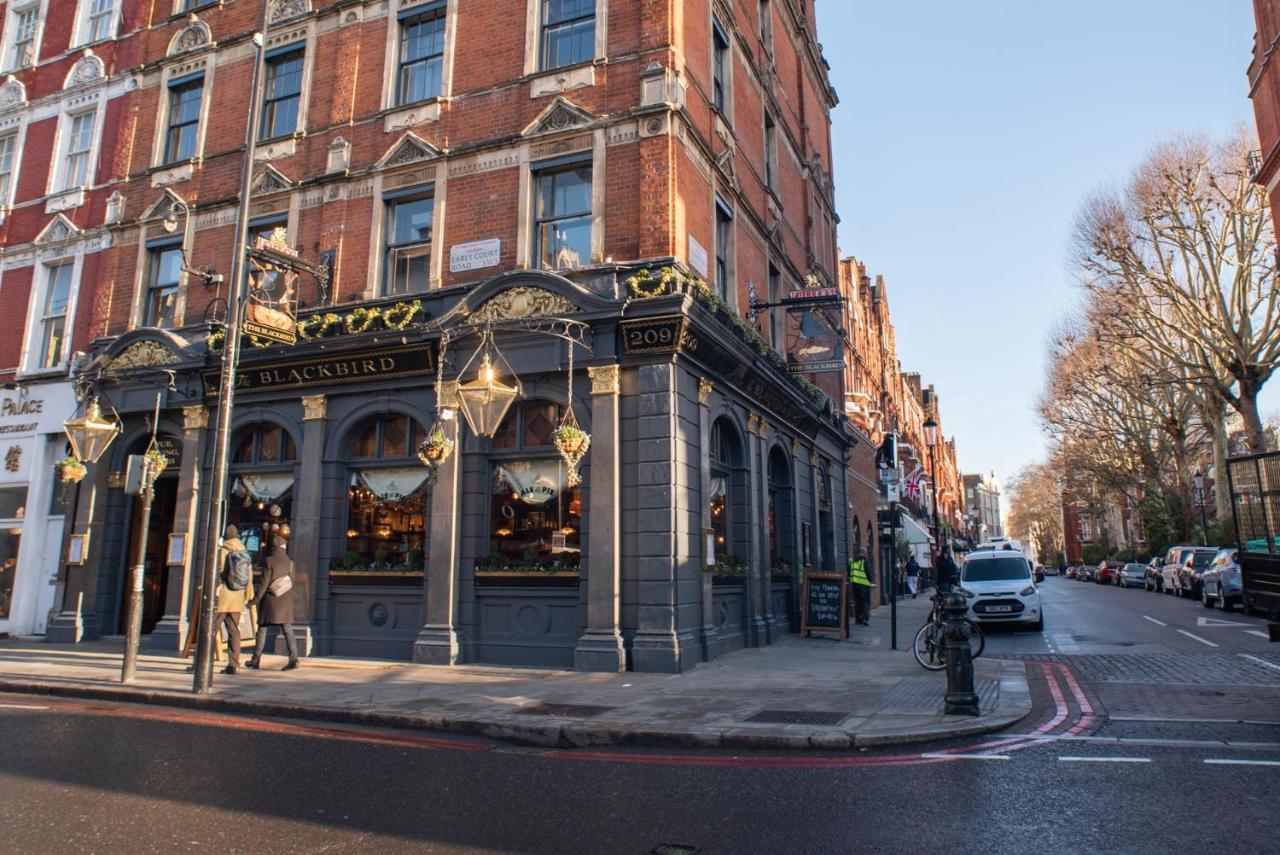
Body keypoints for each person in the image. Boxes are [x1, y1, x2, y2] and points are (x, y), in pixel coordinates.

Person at [248, 536, 300, 671]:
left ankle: (255, 659)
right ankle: (294, 659)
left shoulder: (269, 561)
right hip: (285, 601)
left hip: (270, 601)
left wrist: (255, 600)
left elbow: (264, 583)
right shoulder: (290, 562)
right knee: (288, 630)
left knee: (262, 630)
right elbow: (291, 582)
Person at [216, 525, 255, 675]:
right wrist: (248, 596)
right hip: (238, 596)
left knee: (211, 628)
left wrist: (216, 589)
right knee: (234, 630)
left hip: (224, 596)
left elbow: (219, 570)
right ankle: (234, 663)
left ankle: (201, 661)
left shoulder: (225, 550)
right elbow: (249, 576)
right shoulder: (244, 551)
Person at [847, 546, 873, 626]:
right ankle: (865, 618)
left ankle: (858, 620)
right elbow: (868, 573)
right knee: (865, 602)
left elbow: (848, 571)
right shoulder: (864, 561)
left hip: (854, 584)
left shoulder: (850, 560)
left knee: (857, 602)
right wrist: (870, 581)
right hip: (864, 584)